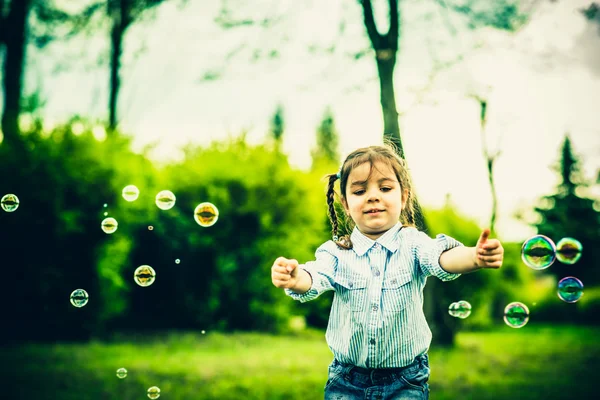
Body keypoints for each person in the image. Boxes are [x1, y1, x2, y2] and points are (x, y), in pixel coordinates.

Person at [271, 145, 504, 400]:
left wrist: (473, 256)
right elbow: (316, 276)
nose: (373, 197)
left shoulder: (414, 244)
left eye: (385, 188)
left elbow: (441, 257)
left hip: (405, 380)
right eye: (360, 191)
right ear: (346, 204)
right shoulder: (336, 253)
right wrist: (295, 279)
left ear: (404, 197)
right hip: (346, 381)